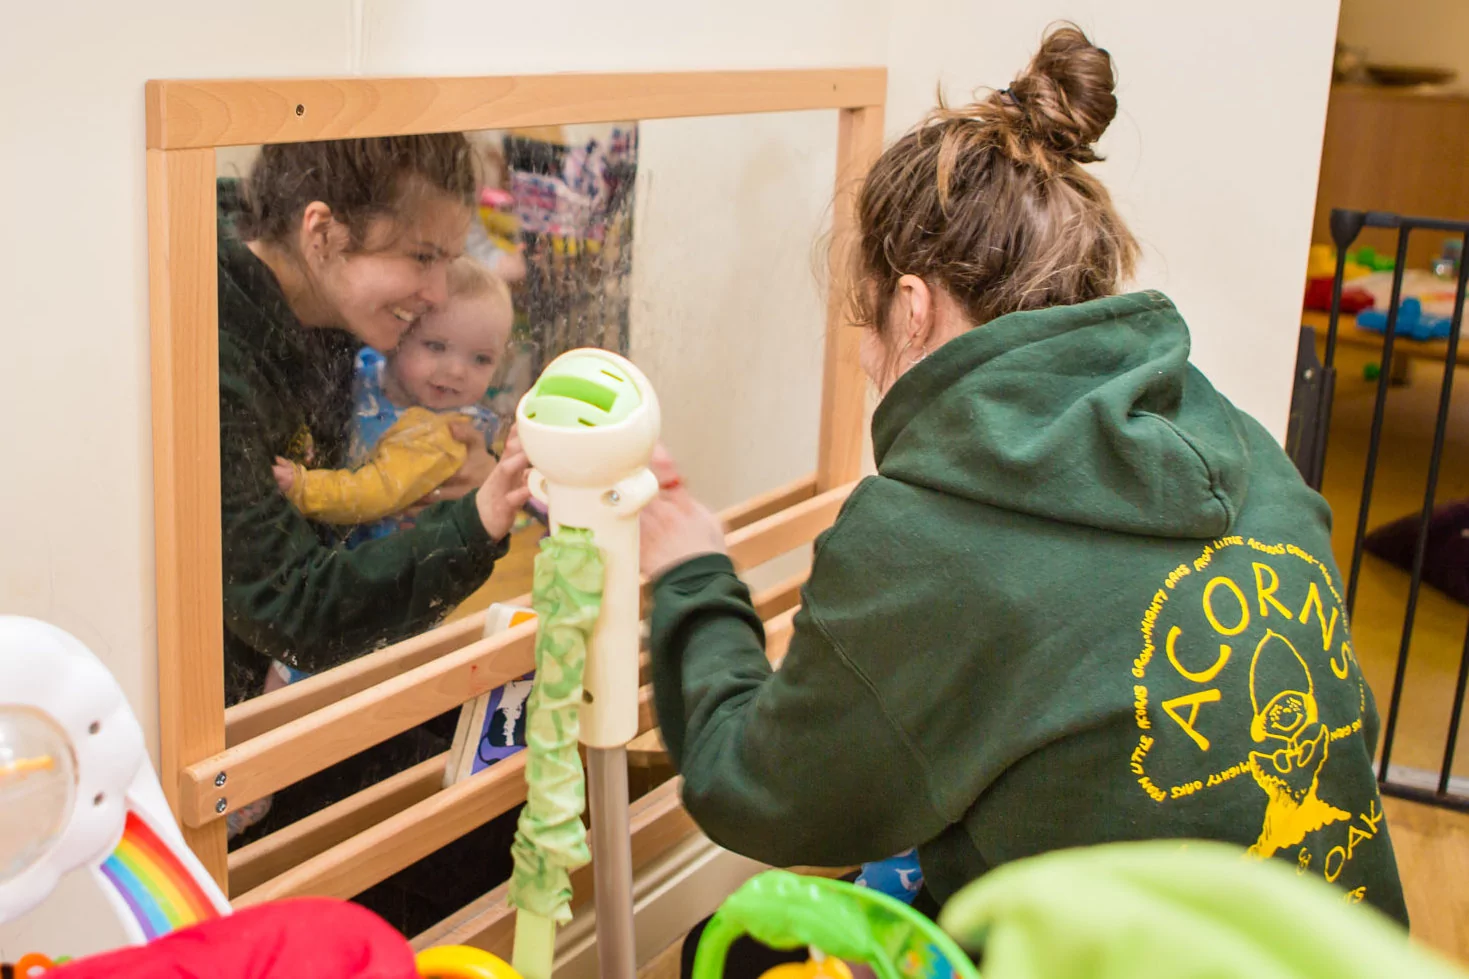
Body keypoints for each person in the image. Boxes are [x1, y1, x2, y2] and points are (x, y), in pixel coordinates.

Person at [641, 25, 1409, 976]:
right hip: (1340, 952)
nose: (871, 359)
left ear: (912, 307)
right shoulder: (1242, 444)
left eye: (868, 331)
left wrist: (692, 578)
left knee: (736, 947)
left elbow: (752, 789)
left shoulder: (925, 534)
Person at [218, 135, 530, 935]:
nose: (435, 292)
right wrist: (482, 517)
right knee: (473, 825)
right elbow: (290, 603)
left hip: (315, 672)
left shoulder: (325, 312)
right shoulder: (218, 346)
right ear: (319, 233)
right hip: (241, 727)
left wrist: (459, 461)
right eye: (421, 258)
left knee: (502, 777)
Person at [271, 257, 515, 545]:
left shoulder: (441, 434)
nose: (457, 371)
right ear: (397, 336)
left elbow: (374, 491)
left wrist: (302, 488)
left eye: (481, 359)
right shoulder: (370, 367)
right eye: (436, 346)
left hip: (376, 559)